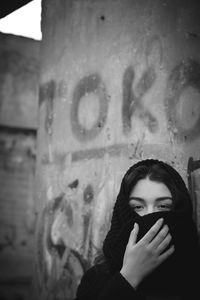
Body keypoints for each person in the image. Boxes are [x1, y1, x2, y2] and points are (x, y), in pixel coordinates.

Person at [74, 159, 200, 300]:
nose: (150, 215)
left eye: (163, 206)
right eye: (138, 207)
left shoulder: (195, 275)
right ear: (123, 211)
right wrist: (129, 276)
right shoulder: (97, 279)